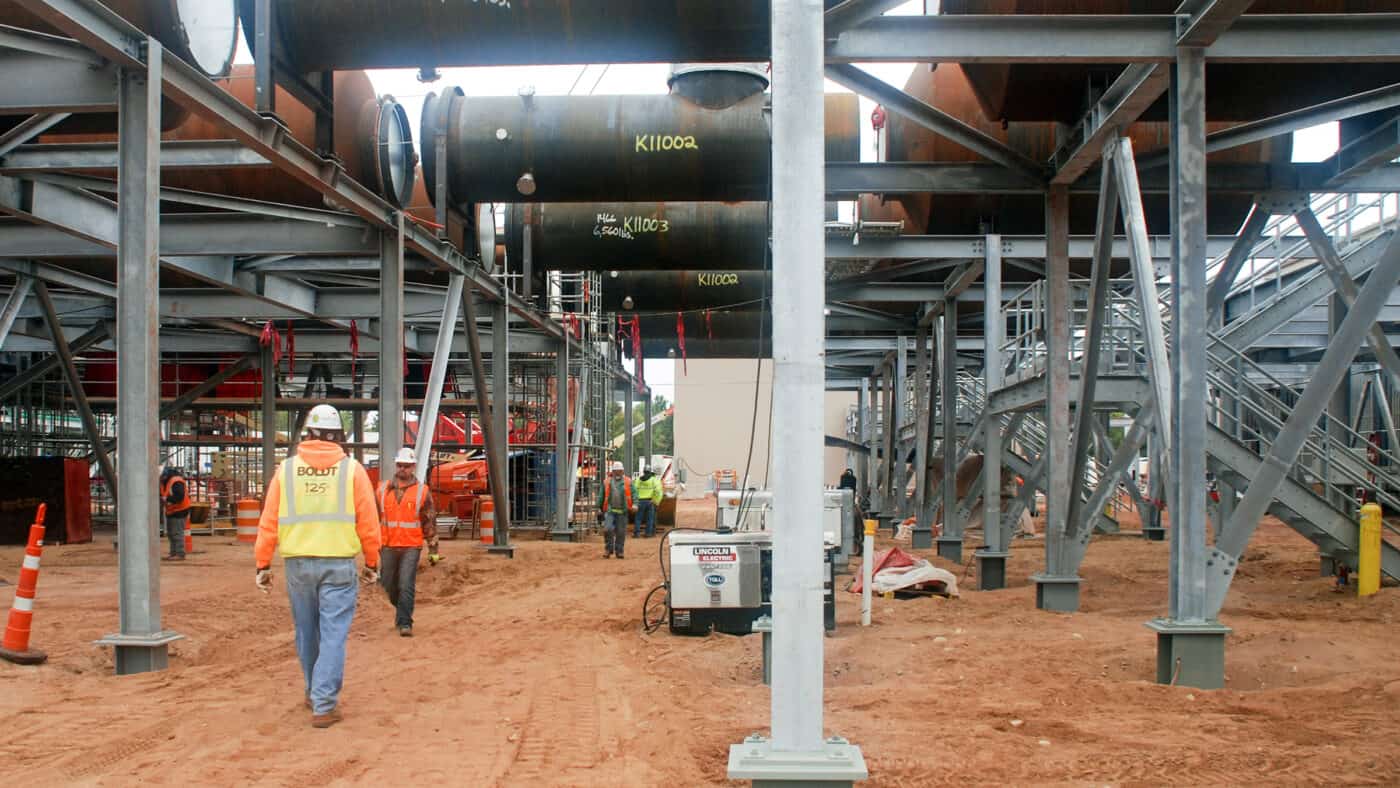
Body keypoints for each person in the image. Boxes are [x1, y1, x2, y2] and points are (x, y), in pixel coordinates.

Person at [254, 404, 381, 729]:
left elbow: (268, 521)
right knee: (333, 634)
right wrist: (372, 561)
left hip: (297, 565)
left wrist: (263, 563)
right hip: (338, 564)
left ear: (308, 433)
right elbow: (368, 523)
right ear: (339, 435)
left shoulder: (287, 470)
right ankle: (324, 704)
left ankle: (314, 692)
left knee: (306, 632)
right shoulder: (352, 471)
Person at [377, 447, 438, 637]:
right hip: (387, 545)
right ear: (396, 465)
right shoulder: (382, 489)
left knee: (406, 583)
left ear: (413, 467)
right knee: (387, 584)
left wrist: (433, 548)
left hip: (411, 545)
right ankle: (401, 609)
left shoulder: (422, 492)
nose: (402, 469)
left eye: (407, 466)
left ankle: (405, 622)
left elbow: (429, 520)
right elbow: (371, 518)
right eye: (400, 465)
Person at [598, 460, 635, 559]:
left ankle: (619, 551)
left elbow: (634, 494)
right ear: (613, 472)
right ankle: (608, 549)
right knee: (607, 529)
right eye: (615, 471)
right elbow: (601, 495)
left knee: (621, 532)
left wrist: (635, 504)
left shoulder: (628, 482)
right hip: (610, 511)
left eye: (619, 471)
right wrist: (598, 507)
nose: (617, 472)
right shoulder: (607, 482)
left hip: (622, 511)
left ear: (622, 471)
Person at [160, 466, 191, 561]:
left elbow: (179, 497)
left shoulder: (176, 481)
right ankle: (173, 553)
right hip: (172, 510)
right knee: (171, 533)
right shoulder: (164, 482)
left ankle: (179, 553)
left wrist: (167, 499)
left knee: (177, 533)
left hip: (180, 510)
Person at [633, 466, 663, 538]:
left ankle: (636, 534)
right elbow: (658, 491)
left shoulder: (638, 480)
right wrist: (656, 500)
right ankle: (648, 534)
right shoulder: (654, 480)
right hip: (650, 501)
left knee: (638, 518)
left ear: (643, 471)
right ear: (650, 472)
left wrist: (635, 501)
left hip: (640, 501)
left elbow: (634, 490)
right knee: (649, 518)